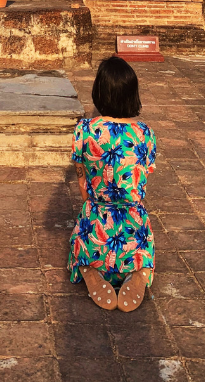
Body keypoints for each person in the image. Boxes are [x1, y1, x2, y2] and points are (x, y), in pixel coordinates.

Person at [68, 56, 157, 312]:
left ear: (99, 93)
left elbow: (82, 180)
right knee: (142, 238)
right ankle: (138, 271)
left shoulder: (84, 129)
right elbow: (143, 178)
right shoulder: (145, 133)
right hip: (132, 220)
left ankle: (88, 266)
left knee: (84, 228)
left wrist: (92, 202)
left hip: (98, 220)